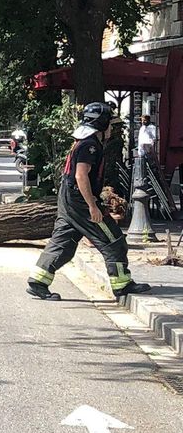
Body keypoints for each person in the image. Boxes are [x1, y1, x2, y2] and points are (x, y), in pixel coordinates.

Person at [27, 102, 152, 301]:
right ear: (102, 124)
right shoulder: (90, 145)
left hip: (70, 199)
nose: (112, 129)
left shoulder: (82, 141)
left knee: (64, 243)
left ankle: (37, 281)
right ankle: (122, 285)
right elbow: (80, 176)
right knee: (113, 240)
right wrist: (92, 206)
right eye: (111, 124)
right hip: (80, 202)